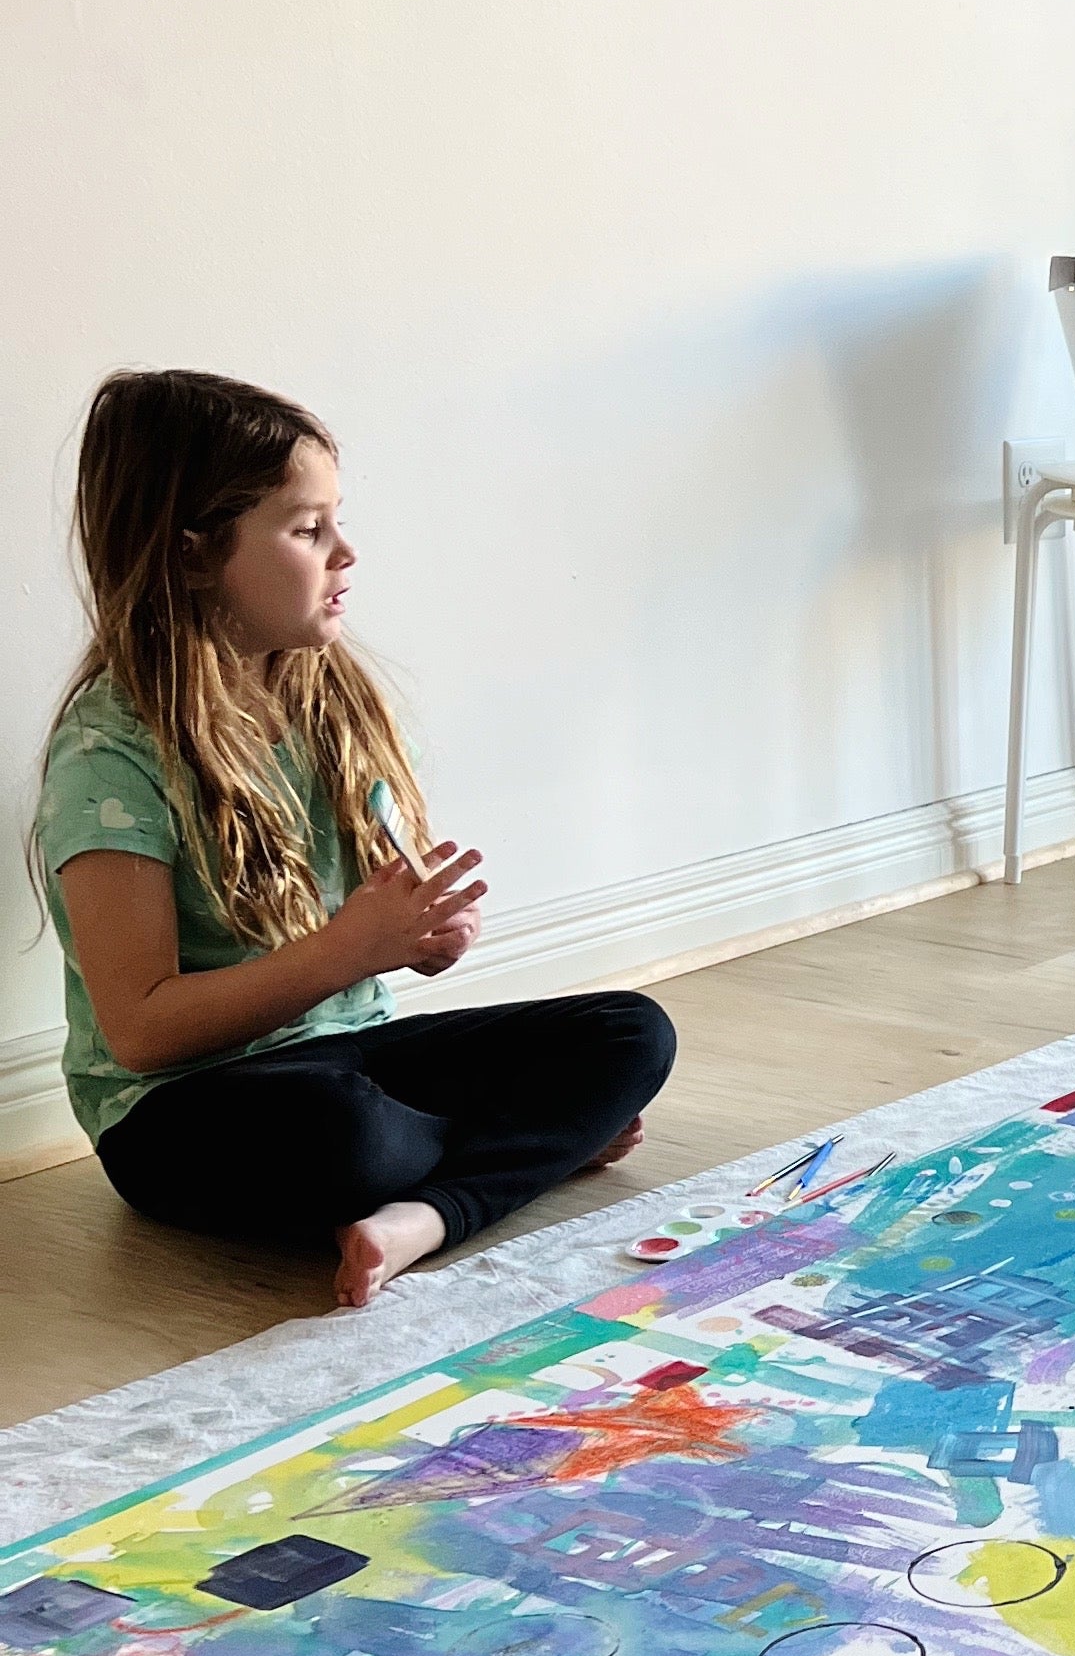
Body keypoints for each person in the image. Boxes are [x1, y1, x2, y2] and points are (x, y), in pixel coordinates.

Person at [36, 369, 675, 1313]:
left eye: (338, 520)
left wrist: (421, 936)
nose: (347, 551)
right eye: (308, 529)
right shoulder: (110, 754)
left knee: (631, 1033)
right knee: (347, 1133)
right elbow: (140, 1031)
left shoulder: (331, 698)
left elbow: (377, 923)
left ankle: (422, 1215)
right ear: (194, 556)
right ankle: (510, 1153)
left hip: (349, 1053)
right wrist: (351, 950)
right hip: (183, 1110)